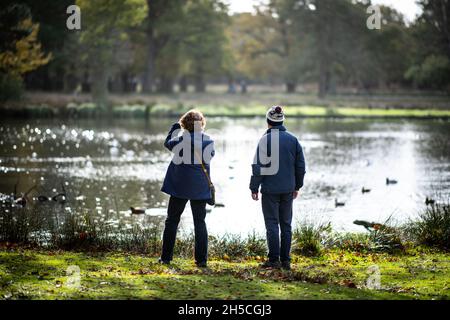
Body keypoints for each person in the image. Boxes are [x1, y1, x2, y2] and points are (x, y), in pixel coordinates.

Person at [249, 106, 306, 270]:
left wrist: (254, 187)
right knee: (286, 224)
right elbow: (301, 167)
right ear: (282, 121)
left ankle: (273, 260)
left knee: (272, 224)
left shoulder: (264, 140)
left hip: (269, 190)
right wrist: (297, 186)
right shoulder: (293, 140)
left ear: (268, 122)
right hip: (288, 189)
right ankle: (286, 261)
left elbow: (257, 167)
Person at [160, 109, 215, 268]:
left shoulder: (179, 141)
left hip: (179, 187)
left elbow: (167, 143)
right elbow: (210, 157)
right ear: (202, 124)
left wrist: (175, 128)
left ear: (185, 124)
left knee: (172, 221)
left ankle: (166, 258)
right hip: (199, 187)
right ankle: (201, 260)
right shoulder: (209, 141)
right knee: (200, 222)